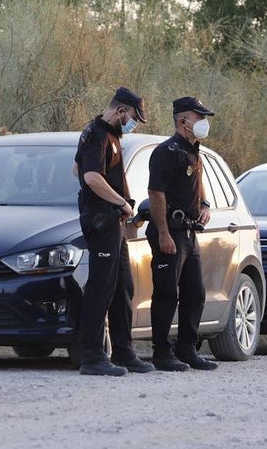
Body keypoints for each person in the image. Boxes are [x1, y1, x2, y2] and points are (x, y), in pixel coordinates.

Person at [73, 86, 155, 377]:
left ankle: (124, 352)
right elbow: (90, 176)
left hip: (114, 221)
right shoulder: (96, 134)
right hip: (101, 219)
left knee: (122, 287)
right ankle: (92, 356)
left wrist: (123, 205)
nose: (133, 124)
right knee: (101, 287)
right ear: (121, 111)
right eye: (133, 118)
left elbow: (76, 168)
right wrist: (119, 202)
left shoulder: (111, 135)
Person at [144, 96, 217, 372]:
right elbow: (156, 193)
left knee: (195, 293)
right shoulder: (167, 151)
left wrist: (205, 204)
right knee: (166, 293)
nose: (203, 122)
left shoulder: (194, 150)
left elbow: (197, 182)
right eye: (199, 117)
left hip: (189, 233)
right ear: (183, 120)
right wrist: (163, 233)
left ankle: (187, 349)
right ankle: (162, 353)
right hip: (169, 231)